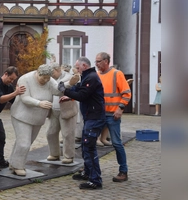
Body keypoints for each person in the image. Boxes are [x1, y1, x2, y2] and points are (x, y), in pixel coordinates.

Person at [10, 64, 78, 176]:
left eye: (48, 78)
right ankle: (18, 166)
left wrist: (69, 83)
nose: (46, 80)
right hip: (21, 115)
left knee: (25, 142)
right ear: (38, 73)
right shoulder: (25, 79)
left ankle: (13, 162)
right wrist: (39, 103)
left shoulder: (49, 80)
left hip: (37, 118)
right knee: (24, 143)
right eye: (43, 78)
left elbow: (57, 90)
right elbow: (25, 98)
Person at [59, 56, 105, 190]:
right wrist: (69, 94)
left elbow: (82, 95)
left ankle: (95, 180)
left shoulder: (91, 77)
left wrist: (65, 90)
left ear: (84, 66)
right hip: (91, 116)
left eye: (78, 67)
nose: (76, 70)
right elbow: (78, 89)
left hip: (95, 117)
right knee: (85, 146)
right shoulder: (87, 76)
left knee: (89, 147)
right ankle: (87, 172)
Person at [95, 52, 131, 182]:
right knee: (90, 141)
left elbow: (126, 93)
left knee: (116, 143)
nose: (96, 64)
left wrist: (120, 108)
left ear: (106, 61)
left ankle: (123, 171)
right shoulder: (97, 75)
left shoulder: (117, 74)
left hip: (112, 115)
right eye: (96, 62)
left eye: (98, 61)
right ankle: (89, 168)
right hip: (99, 115)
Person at [46, 63, 79, 164]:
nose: (51, 75)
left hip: (67, 110)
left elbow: (72, 90)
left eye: (53, 72)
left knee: (67, 134)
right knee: (50, 133)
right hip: (54, 110)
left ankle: (68, 156)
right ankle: (54, 153)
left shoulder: (70, 77)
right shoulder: (50, 79)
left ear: (58, 70)